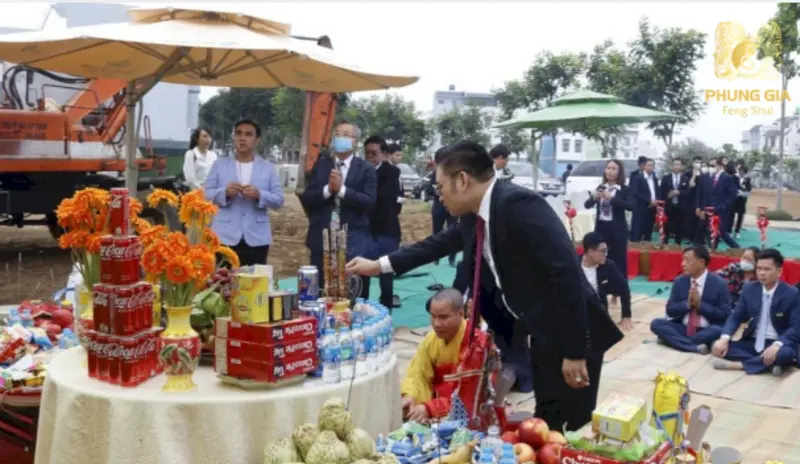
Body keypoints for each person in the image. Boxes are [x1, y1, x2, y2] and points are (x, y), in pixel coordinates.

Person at [346, 140, 624, 432]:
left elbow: (565, 275)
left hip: (575, 329)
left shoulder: (519, 204)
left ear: (462, 180)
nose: (438, 196)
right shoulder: (475, 215)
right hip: (540, 329)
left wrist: (574, 351)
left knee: (573, 426)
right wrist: (379, 265)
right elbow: (438, 244)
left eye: (440, 188)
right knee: (545, 422)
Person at [302, 121, 377, 296]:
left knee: (352, 293)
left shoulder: (366, 169)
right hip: (322, 241)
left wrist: (342, 190)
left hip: (352, 242)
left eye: (346, 134)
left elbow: (369, 202)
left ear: (355, 141)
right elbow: (308, 198)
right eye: (337, 133)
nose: (340, 138)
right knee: (319, 292)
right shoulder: (321, 165)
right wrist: (328, 190)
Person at [204, 119, 284, 266]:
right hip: (224, 236)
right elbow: (206, 194)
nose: (242, 138)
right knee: (222, 283)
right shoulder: (219, 165)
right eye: (238, 133)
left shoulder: (267, 168)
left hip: (256, 237)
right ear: (234, 137)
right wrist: (224, 193)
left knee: (254, 285)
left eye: (248, 134)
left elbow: (279, 200)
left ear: (257, 140)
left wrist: (259, 195)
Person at [712, 248, 800, 376]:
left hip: (778, 341)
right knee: (718, 348)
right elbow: (736, 316)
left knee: (785, 354)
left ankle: (740, 365)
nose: (762, 273)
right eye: (759, 269)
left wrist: (777, 345)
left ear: (779, 271)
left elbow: (796, 326)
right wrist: (724, 338)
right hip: (753, 340)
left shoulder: (791, 293)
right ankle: (770, 365)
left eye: (767, 269)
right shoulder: (749, 289)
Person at [650, 246, 731, 354]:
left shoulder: (720, 284)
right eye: (683, 260)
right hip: (683, 327)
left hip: (706, 328)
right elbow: (670, 310)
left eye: (687, 260)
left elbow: (725, 315)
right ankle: (694, 347)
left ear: (701, 263)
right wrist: (687, 304)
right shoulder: (680, 281)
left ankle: (673, 341)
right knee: (656, 324)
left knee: (717, 331)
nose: (683, 264)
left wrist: (699, 305)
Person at [365, 135, 402, 309]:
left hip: (386, 230)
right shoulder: (360, 170)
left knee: (385, 272)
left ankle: (386, 309)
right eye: (367, 153)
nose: (370, 157)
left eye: (374, 153)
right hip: (365, 230)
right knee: (362, 272)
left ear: (384, 154)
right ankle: (361, 306)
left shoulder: (392, 173)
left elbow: (384, 199)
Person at [584, 159, 634, 280]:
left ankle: (620, 289)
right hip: (602, 227)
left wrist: (612, 198)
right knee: (600, 257)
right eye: (608, 168)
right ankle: (601, 283)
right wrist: (594, 198)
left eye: (614, 169)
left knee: (619, 259)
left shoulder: (624, 189)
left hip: (617, 229)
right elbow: (587, 205)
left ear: (619, 172)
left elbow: (630, 206)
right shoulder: (601, 187)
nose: (610, 171)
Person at [580, 232, 633, 331]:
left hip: (597, 312)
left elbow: (624, 287)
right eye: (603, 251)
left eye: (606, 250)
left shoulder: (608, 266)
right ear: (590, 251)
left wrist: (626, 314)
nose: (606, 254)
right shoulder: (574, 265)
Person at [697, 157, 740, 249]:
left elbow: (733, 193)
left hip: (721, 209)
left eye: (713, 166)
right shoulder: (710, 177)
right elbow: (706, 194)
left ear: (720, 166)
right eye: (709, 166)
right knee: (710, 230)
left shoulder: (727, 177)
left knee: (721, 230)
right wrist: (703, 208)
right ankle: (713, 248)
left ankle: (736, 248)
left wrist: (724, 205)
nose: (710, 168)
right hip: (710, 209)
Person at [427, 147, 457, 267]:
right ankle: (436, 258)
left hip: (454, 206)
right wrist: (436, 191)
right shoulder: (436, 173)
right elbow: (429, 188)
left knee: (453, 232)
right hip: (439, 207)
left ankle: (452, 258)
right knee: (437, 233)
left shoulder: (457, 172)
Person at [632, 158, 659, 242]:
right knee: (638, 231)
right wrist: (649, 201)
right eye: (648, 165)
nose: (650, 167)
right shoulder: (638, 178)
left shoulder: (655, 178)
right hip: (641, 208)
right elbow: (636, 193)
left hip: (652, 208)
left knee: (649, 231)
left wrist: (656, 201)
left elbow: (656, 191)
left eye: (652, 165)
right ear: (644, 166)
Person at [660, 158, 685, 244]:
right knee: (666, 226)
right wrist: (668, 195)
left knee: (680, 227)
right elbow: (661, 192)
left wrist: (679, 192)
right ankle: (665, 244)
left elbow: (689, 192)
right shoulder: (666, 178)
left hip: (680, 207)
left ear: (681, 166)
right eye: (675, 164)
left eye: (678, 164)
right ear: (671, 166)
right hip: (668, 206)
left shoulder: (685, 178)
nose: (676, 166)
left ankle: (678, 244)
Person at [682, 156, 704, 246]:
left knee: (698, 221)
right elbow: (690, 185)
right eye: (696, 162)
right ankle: (688, 237)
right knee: (689, 220)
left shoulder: (703, 174)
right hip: (689, 199)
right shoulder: (687, 173)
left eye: (700, 162)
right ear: (693, 163)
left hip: (700, 200)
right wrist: (694, 175)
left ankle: (697, 239)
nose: (698, 164)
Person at [628, 156, 648, 241]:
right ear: (639, 164)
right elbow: (631, 187)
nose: (643, 166)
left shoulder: (649, 174)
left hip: (646, 201)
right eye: (642, 165)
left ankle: (644, 237)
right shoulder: (634, 174)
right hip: (636, 201)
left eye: (645, 164)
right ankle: (634, 238)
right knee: (635, 221)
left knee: (644, 221)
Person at [733, 164, 752, 239]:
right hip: (734, 200)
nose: (741, 173)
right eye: (740, 171)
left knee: (740, 216)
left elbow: (749, 190)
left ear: (745, 172)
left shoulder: (747, 180)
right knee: (732, 216)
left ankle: (737, 231)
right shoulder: (735, 178)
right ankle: (730, 231)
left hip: (742, 200)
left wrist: (743, 192)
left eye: (743, 172)